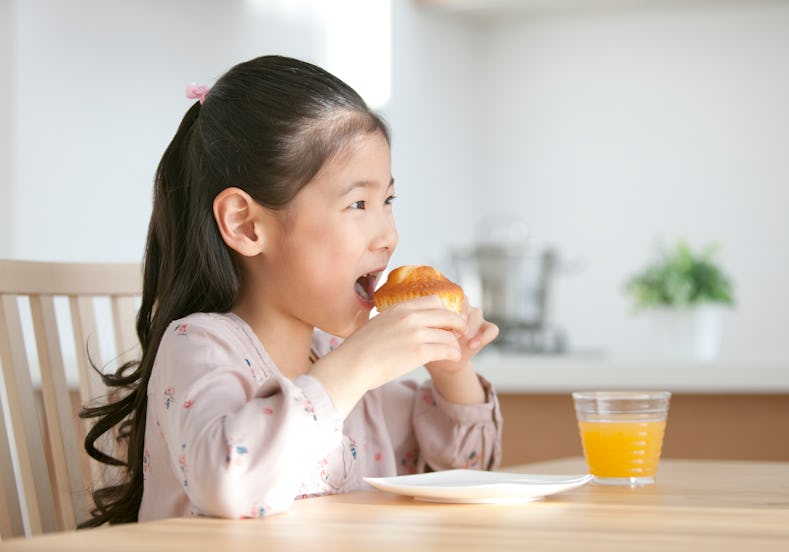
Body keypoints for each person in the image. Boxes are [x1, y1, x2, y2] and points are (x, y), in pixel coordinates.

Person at [80, 54, 502, 526]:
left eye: (388, 201)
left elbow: (464, 473)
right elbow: (230, 485)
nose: (389, 234)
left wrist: (451, 369)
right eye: (358, 203)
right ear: (246, 224)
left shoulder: (337, 358)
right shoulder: (198, 345)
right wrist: (359, 365)